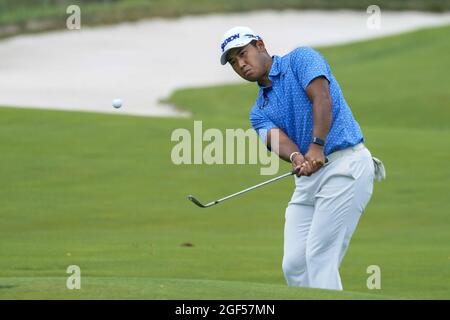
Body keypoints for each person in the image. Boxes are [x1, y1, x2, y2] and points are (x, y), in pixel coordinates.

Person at [219, 26, 385, 290]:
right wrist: (297, 156)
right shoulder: (258, 110)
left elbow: (321, 97)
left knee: (319, 257)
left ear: (260, 45)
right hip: (309, 180)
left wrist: (316, 146)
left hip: (346, 165)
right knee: (294, 265)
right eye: (233, 61)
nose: (241, 64)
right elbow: (276, 140)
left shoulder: (301, 59)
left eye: (243, 54)